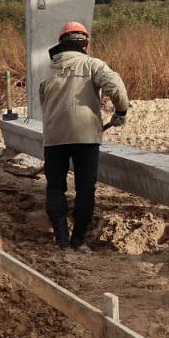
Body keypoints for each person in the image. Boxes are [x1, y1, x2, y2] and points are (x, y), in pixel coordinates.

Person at [39, 21, 129, 251]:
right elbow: (116, 87)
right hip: (86, 137)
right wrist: (120, 111)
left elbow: (44, 103)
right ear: (85, 45)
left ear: (61, 44)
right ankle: (78, 240)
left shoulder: (46, 71)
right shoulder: (93, 65)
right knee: (85, 188)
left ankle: (61, 240)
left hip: (54, 138)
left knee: (55, 187)